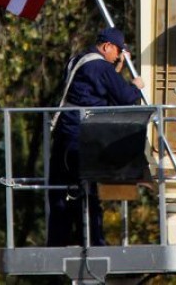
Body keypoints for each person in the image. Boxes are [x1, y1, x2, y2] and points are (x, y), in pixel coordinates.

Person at [47, 27, 145, 247]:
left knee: (60, 190)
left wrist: (117, 68)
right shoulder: (100, 66)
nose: (118, 57)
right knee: (87, 191)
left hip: (64, 132)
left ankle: (57, 241)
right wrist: (136, 86)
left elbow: (97, 88)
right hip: (81, 136)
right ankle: (94, 241)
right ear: (107, 46)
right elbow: (125, 97)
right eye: (117, 52)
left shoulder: (78, 60)